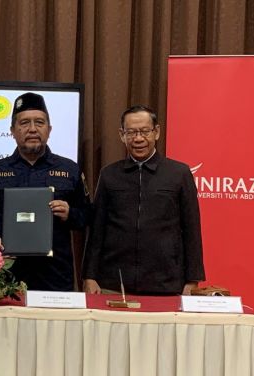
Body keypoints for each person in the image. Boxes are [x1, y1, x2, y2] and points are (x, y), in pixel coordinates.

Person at [0, 92, 90, 291]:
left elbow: (87, 216)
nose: (32, 129)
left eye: (39, 122)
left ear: (49, 129)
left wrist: (70, 213)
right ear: (12, 131)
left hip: (55, 277)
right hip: (5, 275)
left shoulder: (70, 170)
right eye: (24, 123)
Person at [83, 104, 204, 295]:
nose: (138, 139)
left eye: (145, 131)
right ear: (122, 135)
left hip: (166, 283)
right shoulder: (109, 174)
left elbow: (191, 229)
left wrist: (193, 279)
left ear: (156, 132)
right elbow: (97, 229)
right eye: (131, 132)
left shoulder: (179, 173)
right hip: (113, 283)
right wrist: (89, 275)